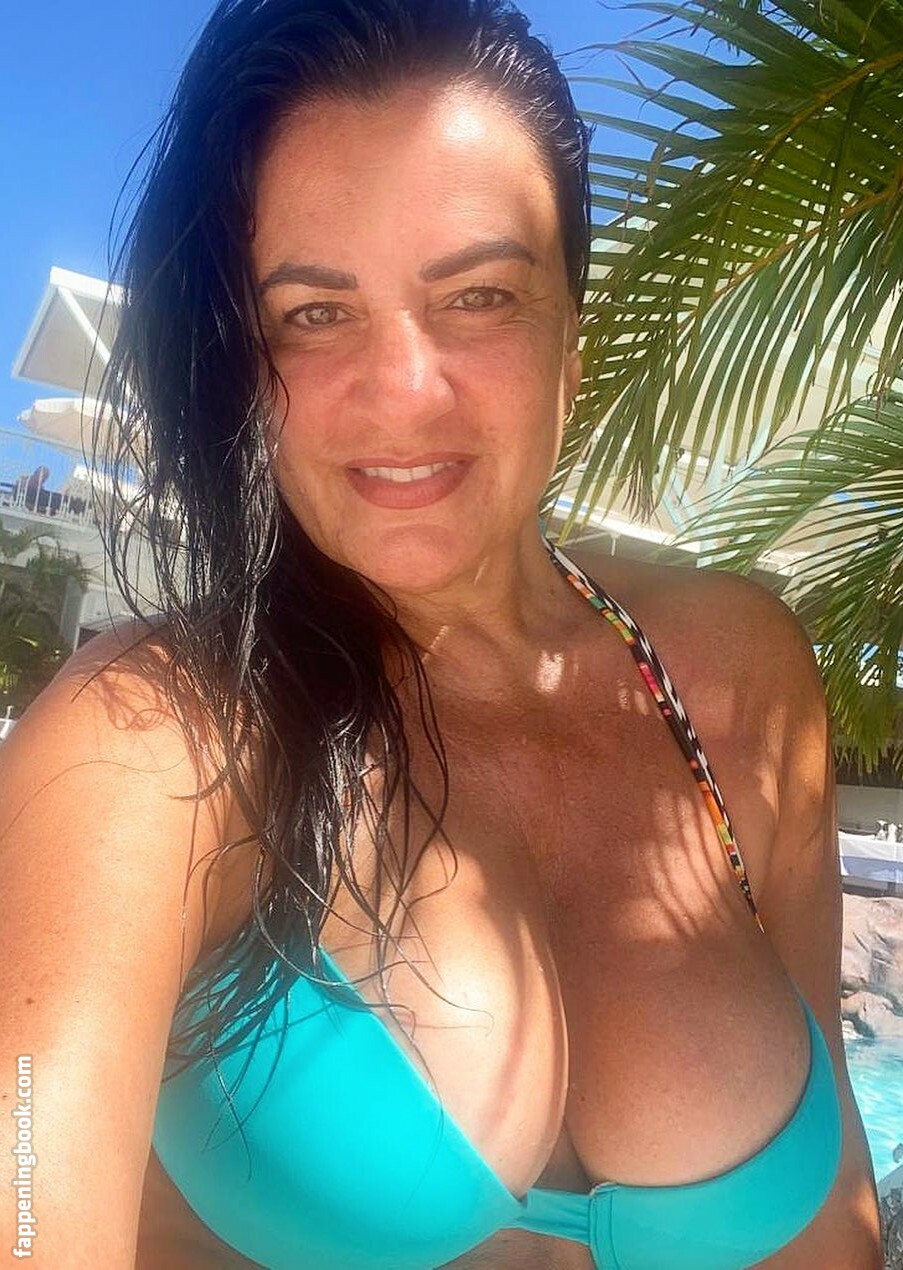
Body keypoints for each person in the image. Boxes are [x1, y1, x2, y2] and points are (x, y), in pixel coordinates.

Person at [0, 1, 882, 1267]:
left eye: (478, 296)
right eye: (315, 312)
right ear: (243, 362)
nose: (404, 391)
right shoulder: (150, 743)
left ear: (572, 337)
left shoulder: (737, 678)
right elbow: (29, 1196)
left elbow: (836, 1206)